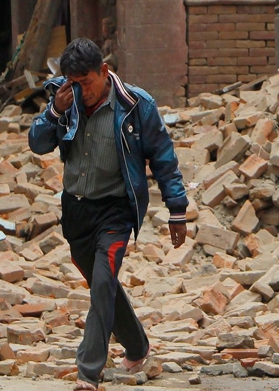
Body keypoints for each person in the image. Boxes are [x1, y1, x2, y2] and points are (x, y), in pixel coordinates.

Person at [28, 39, 189, 391]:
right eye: (74, 82)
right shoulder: (64, 99)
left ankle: (88, 372)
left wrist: (177, 210)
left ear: (104, 71)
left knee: (102, 282)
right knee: (103, 284)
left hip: (116, 210)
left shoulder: (135, 105)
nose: (81, 90)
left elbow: (164, 159)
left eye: (86, 82)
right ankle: (137, 346)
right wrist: (55, 111)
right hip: (77, 210)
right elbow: (38, 143)